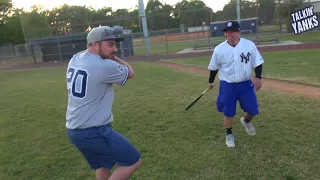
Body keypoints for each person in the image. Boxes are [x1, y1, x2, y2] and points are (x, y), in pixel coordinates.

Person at [65, 25, 141, 180]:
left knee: (103, 165)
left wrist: (104, 52)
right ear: (94, 45)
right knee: (133, 160)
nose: (115, 50)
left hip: (74, 129)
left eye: (115, 45)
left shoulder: (75, 59)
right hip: (93, 131)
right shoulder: (104, 65)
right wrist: (114, 58)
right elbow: (131, 72)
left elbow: (82, 53)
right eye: (110, 45)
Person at [207, 20, 264, 148]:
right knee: (229, 112)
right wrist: (210, 81)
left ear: (239, 32)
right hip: (228, 85)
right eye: (226, 32)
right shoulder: (219, 49)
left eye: (232, 32)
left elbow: (258, 62)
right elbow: (214, 67)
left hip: (245, 84)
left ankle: (246, 120)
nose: (229, 35)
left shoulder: (249, 45)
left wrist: (258, 78)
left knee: (253, 110)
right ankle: (229, 134)